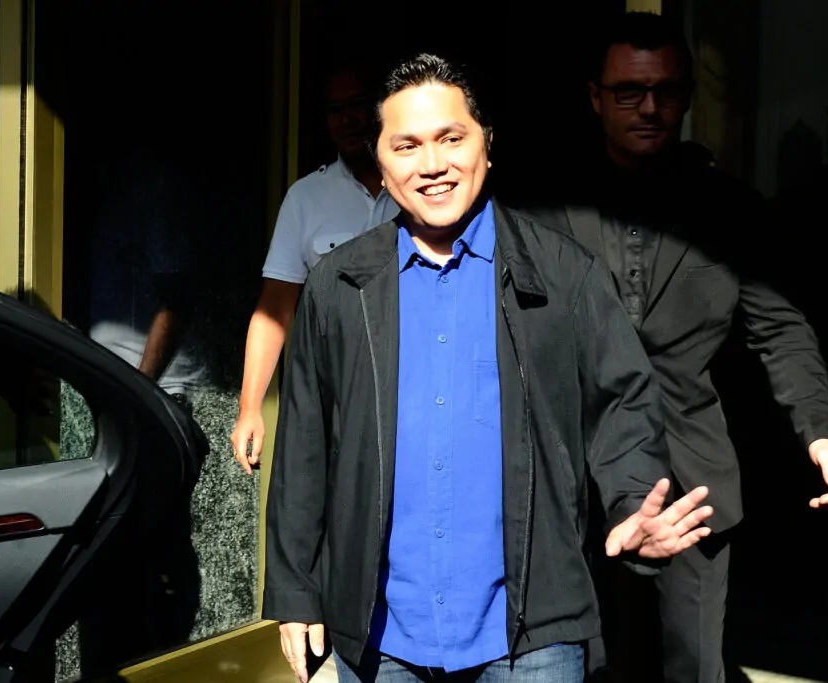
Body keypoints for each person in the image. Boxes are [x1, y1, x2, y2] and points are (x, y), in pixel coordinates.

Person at [264, 53, 716, 683]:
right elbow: (304, 443)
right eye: (407, 146)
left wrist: (634, 500)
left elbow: (622, 403)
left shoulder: (564, 275)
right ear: (381, 162)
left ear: (488, 144)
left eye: (451, 138)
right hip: (380, 633)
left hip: (533, 636)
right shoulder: (340, 284)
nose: (432, 164)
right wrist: (294, 587)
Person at [526, 12, 828, 683]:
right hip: (573, 481)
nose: (649, 108)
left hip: (693, 479)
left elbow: (780, 326)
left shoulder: (732, 210)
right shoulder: (543, 208)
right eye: (629, 91)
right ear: (595, 96)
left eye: (667, 91)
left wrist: (821, 430)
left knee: (695, 669)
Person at [231, 60, 398, 474]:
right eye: (335, 109)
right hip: (332, 403)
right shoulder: (306, 198)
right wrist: (250, 407)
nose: (347, 118)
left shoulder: (420, 184)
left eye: (357, 104)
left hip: (412, 393)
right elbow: (275, 306)